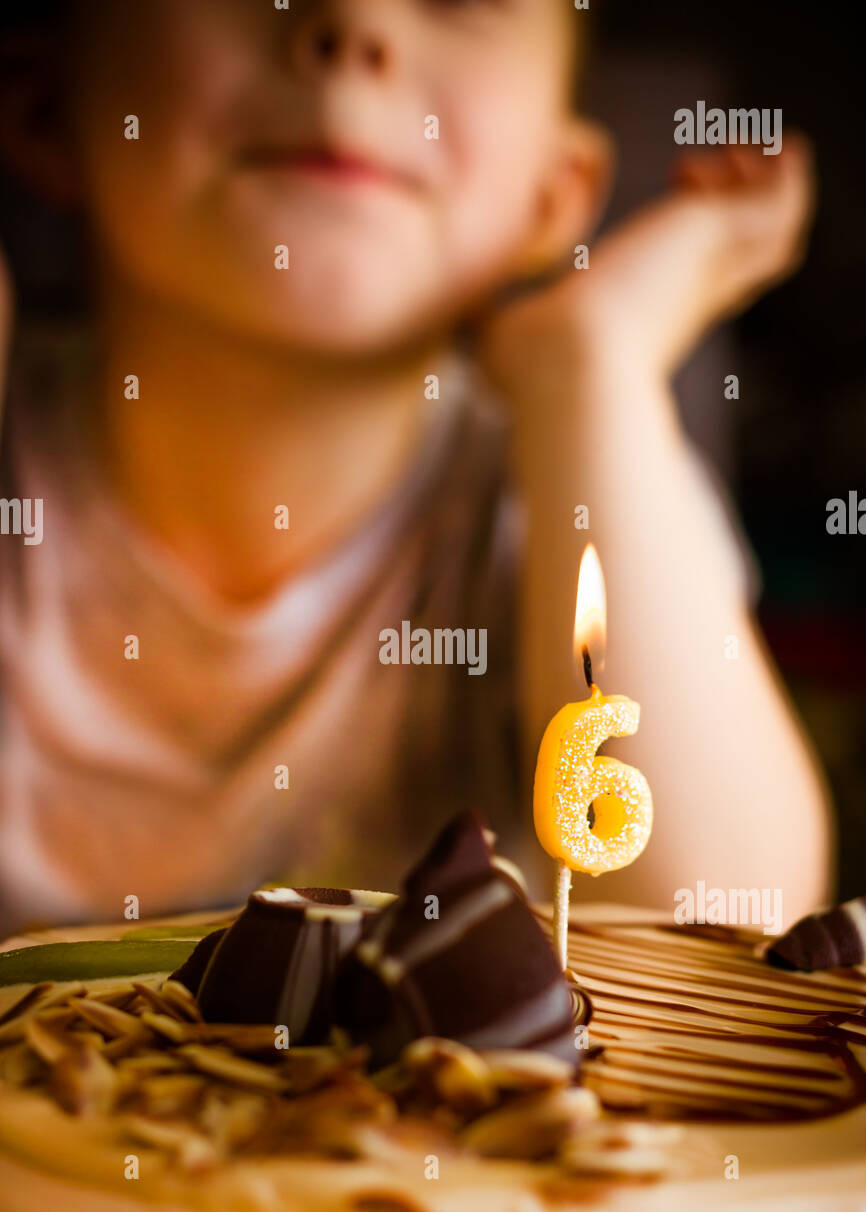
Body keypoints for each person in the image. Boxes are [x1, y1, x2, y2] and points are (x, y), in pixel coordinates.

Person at [0, 0, 832, 935]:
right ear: (39, 108)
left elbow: (722, 920)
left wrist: (593, 356)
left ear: (554, 194)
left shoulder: (577, 480)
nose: (354, 24)